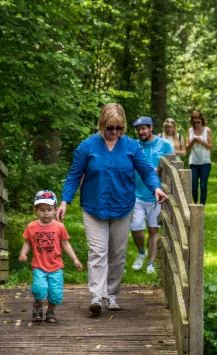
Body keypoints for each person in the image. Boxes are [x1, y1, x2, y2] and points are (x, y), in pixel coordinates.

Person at [57, 103, 168, 316]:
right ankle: (97, 296)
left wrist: (156, 187)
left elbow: (146, 171)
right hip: (94, 207)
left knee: (117, 254)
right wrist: (65, 201)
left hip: (122, 206)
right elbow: (73, 175)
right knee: (98, 251)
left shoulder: (130, 146)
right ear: (102, 125)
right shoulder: (87, 146)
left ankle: (112, 293)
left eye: (119, 128)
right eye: (110, 128)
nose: (115, 132)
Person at [18, 190, 83, 323]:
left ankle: (51, 311)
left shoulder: (59, 227)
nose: (46, 213)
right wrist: (23, 253)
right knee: (39, 289)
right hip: (39, 266)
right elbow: (27, 242)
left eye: (49, 209)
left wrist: (75, 259)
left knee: (55, 293)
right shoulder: (31, 227)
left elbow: (65, 244)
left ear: (55, 210)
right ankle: (37, 305)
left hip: (56, 266)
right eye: (42, 210)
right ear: (36, 210)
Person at [130, 116, 174, 275]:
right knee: (136, 227)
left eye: (144, 128)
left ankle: (150, 263)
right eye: (138, 129)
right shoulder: (134, 146)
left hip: (156, 196)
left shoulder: (165, 145)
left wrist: (160, 172)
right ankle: (141, 252)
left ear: (151, 128)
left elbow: (173, 169)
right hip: (136, 195)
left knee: (154, 230)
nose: (141, 132)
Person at [186, 109, 212, 204]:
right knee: (193, 186)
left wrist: (201, 142)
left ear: (201, 120)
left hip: (205, 162)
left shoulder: (207, 130)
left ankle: (202, 206)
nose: (196, 123)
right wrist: (192, 142)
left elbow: (210, 146)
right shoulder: (190, 131)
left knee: (203, 186)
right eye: (194, 121)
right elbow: (186, 148)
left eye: (198, 121)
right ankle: (196, 203)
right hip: (193, 162)